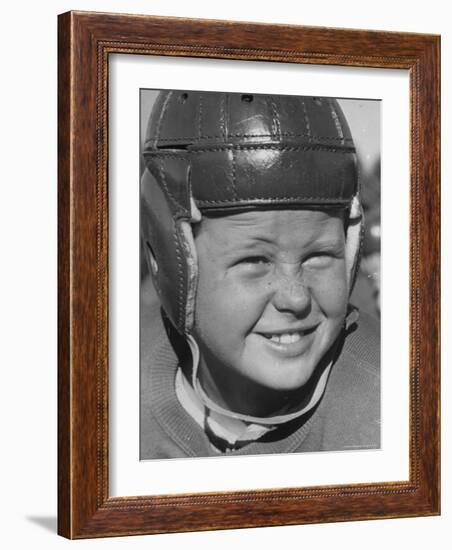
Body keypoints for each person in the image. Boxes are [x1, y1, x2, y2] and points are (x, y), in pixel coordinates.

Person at [140, 90, 380, 459]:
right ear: (174, 260)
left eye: (319, 256)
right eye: (255, 261)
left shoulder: (401, 402)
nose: (296, 298)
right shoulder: (99, 387)